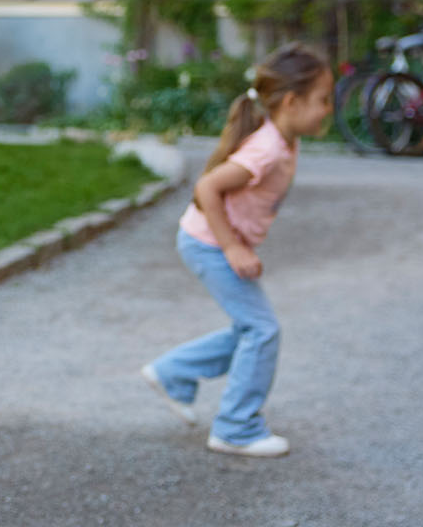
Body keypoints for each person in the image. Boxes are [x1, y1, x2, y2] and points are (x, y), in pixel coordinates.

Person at [139, 42, 332, 458]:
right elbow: (206, 186)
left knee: (250, 328)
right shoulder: (265, 149)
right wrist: (232, 247)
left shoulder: (284, 139)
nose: (329, 109)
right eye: (323, 100)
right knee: (262, 330)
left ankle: (173, 373)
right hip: (208, 244)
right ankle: (235, 427)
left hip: (208, 241)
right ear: (291, 101)